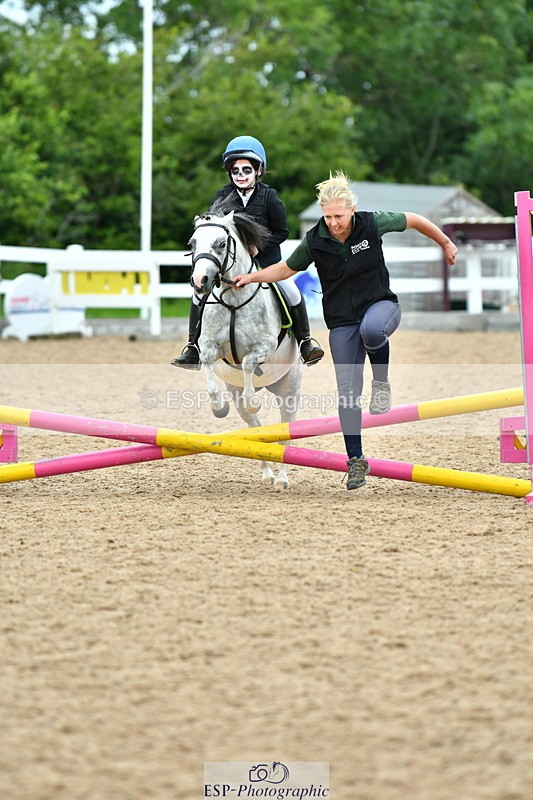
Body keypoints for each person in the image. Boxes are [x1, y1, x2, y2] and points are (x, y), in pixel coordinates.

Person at [232, 170, 458, 490]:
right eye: (328, 216)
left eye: (338, 215)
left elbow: (414, 219)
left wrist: (446, 242)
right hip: (341, 322)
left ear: (351, 209)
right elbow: (286, 269)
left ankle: (381, 383)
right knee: (347, 394)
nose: (333, 222)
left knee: (372, 331)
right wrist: (251, 278)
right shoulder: (315, 239)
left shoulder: (372, 222)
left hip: (381, 307)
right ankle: (356, 461)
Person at [171, 135, 324, 369]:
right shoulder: (222, 196)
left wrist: (257, 247)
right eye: (235, 171)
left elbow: (282, 231)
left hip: (265, 261)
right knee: (198, 295)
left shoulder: (269, 197)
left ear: (258, 170)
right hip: (230, 264)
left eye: (246, 170)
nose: (240, 175)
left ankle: (305, 342)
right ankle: (192, 347)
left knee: (292, 292)